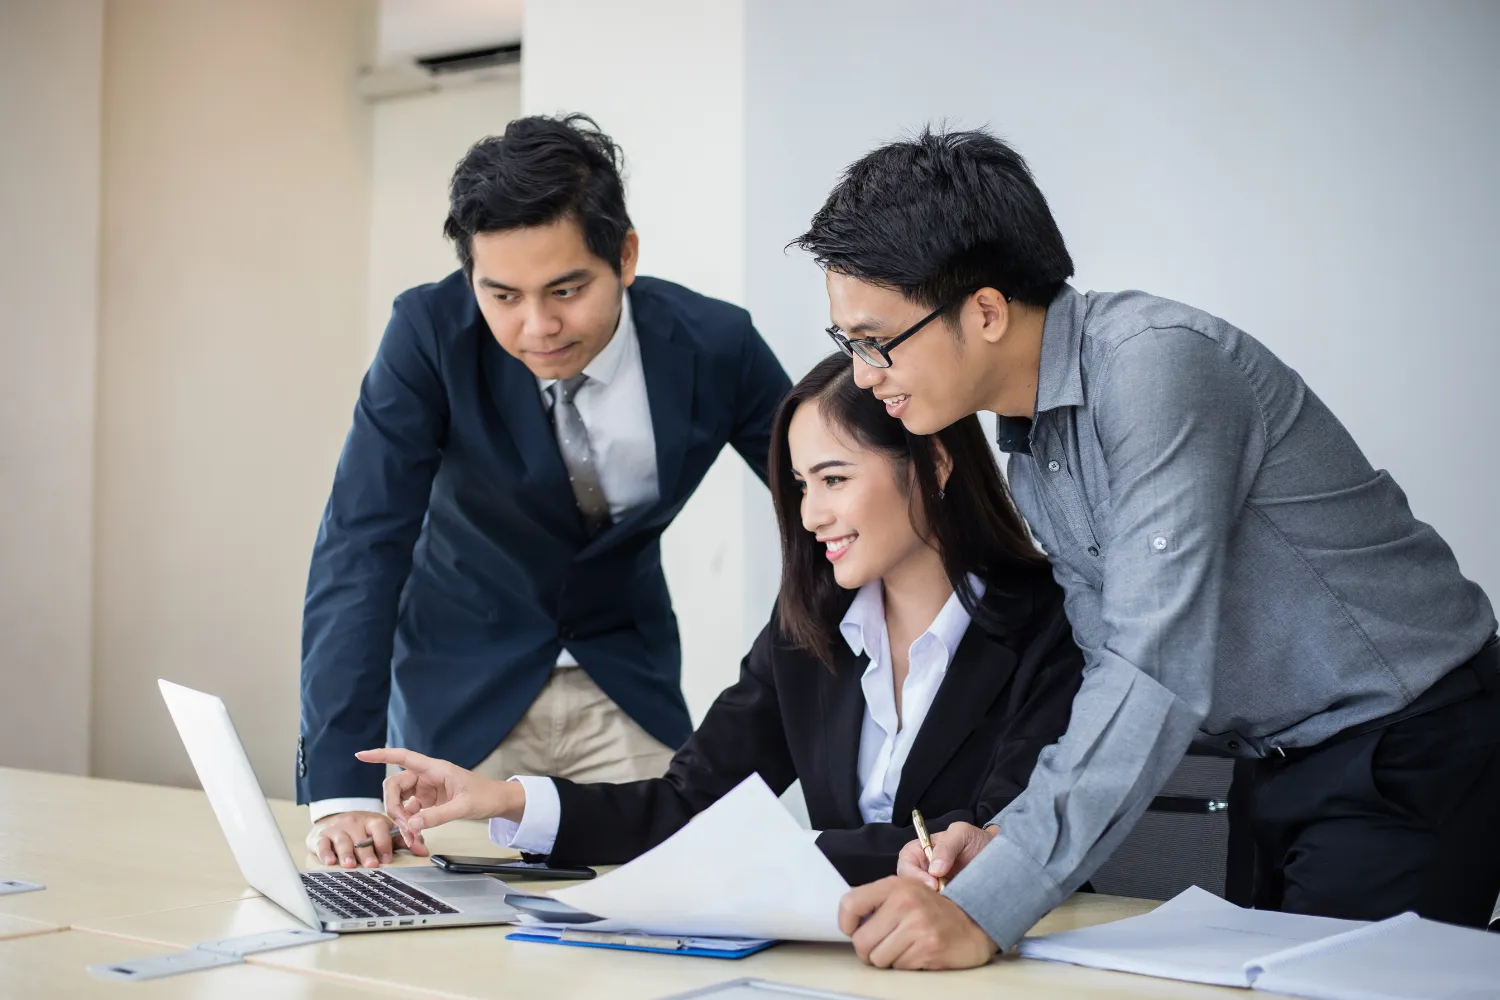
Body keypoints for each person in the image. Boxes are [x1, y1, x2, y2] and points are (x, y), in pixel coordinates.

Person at [791, 126, 1500, 969]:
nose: (866, 375)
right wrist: (1002, 839)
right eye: (850, 347)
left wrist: (989, 905)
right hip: (1277, 764)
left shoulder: (1156, 370)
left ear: (982, 310)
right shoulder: (1033, 446)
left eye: (877, 341)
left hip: (1406, 747)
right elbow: (1109, 669)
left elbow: (1151, 669)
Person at [355, 353, 1085, 886]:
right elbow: (688, 805)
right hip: (842, 957)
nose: (811, 515)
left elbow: (992, 846)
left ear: (933, 463)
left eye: (834, 479)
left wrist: (792, 855)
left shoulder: (1049, 624)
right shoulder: (811, 627)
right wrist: (499, 798)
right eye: (801, 486)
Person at [299, 114, 792, 870]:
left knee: (680, 897)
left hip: (625, 685)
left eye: (566, 289)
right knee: (446, 946)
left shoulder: (715, 345)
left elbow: (828, 500)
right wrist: (342, 788)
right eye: (503, 295)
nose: (538, 327)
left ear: (624, 255)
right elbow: (363, 544)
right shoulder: (428, 334)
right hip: (459, 692)